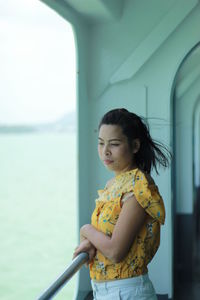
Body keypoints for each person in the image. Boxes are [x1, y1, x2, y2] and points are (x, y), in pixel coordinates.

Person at [73, 108, 171, 300]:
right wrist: (90, 241)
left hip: (127, 292)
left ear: (135, 146)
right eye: (101, 143)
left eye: (114, 144)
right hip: (106, 291)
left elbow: (115, 251)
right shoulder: (114, 184)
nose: (105, 151)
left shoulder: (137, 188)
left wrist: (86, 229)